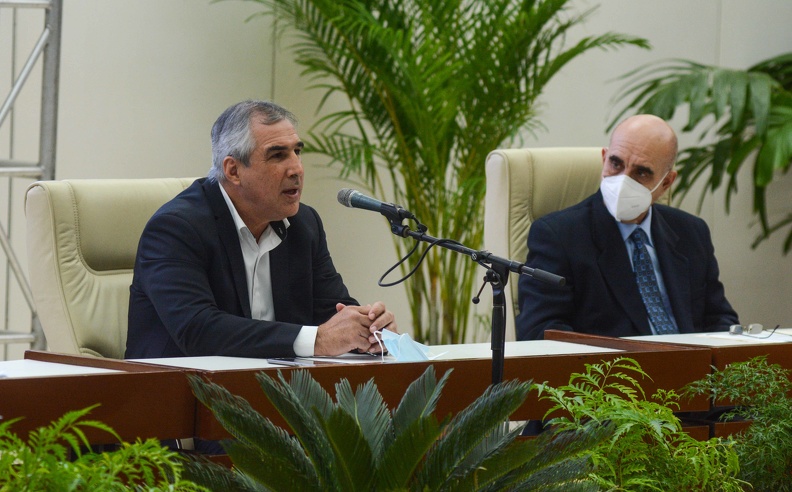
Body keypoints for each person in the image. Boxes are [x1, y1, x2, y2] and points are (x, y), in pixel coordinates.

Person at [126, 100, 396, 359]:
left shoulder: (304, 224)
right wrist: (320, 340)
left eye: (297, 152)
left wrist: (367, 330)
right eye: (278, 155)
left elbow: (332, 311)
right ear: (233, 170)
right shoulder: (176, 228)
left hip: (273, 390)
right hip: (175, 392)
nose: (297, 169)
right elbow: (198, 329)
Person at [515, 114, 738, 340]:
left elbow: (720, 319)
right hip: (611, 370)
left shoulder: (692, 232)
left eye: (641, 172)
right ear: (604, 158)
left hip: (693, 369)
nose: (623, 181)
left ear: (667, 182)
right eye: (616, 163)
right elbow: (540, 332)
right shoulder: (558, 236)